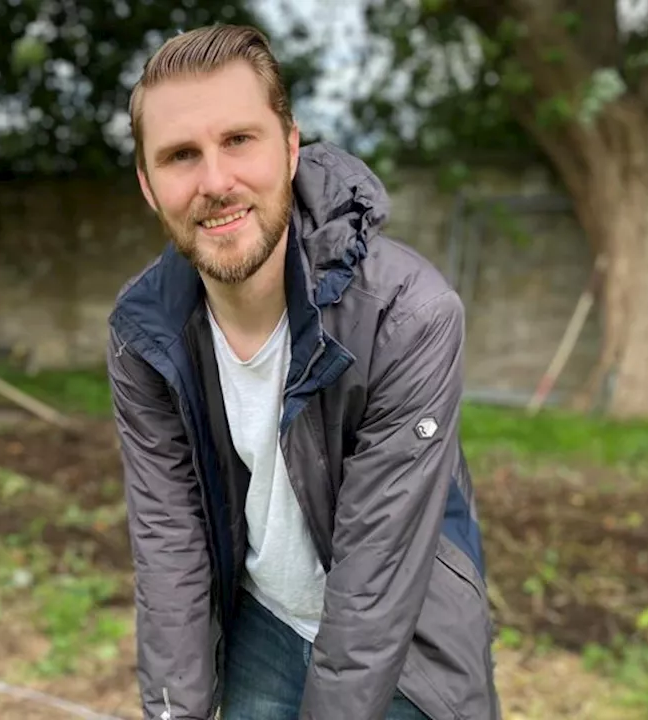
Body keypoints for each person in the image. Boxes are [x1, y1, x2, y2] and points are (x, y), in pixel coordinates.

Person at [106, 24, 500, 720]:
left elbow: (375, 580)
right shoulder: (144, 334)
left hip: (406, 638)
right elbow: (169, 544)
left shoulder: (406, 315)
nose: (215, 181)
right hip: (264, 621)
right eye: (180, 156)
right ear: (148, 184)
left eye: (239, 140)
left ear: (290, 146)